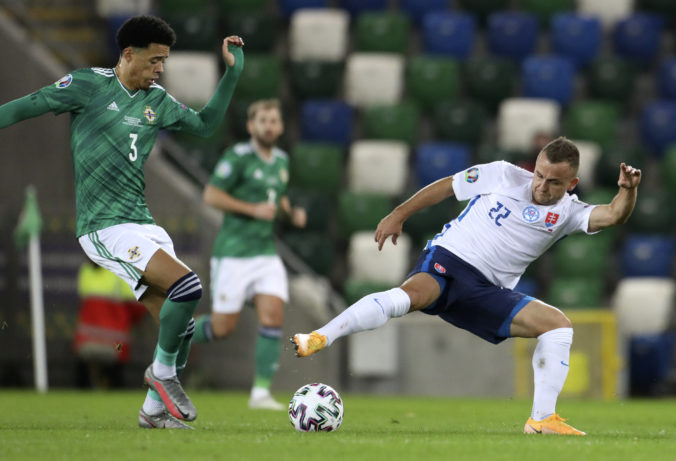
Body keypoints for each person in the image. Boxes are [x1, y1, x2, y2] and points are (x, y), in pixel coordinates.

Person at [292, 137, 642, 436]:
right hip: (450, 259)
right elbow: (447, 186)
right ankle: (320, 336)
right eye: (539, 175)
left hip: (487, 291)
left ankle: (541, 420)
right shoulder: (502, 174)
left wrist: (628, 190)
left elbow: (613, 215)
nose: (542, 186)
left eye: (554, 182)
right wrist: (398, 214)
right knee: (410, 296)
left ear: (572, 183)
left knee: (558, 326)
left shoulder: (568, 213)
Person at [0, 15, 244, 429]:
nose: (160, 69)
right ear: (128, 54)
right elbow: (29, 105)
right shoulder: (88, 85)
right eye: (154, 61)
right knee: (188, 287)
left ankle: (152, 411)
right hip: (103, 226)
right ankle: (161, 375)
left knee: (179, 325)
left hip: (143, 224)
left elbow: (205, 125)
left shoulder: (158, 101)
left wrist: (232, 75)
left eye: (164, 61)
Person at [192, 98, 306, 410]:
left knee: (273, 315)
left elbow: (277, 199)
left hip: (265, 254)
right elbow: (211, 195)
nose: (269, 126)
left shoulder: (281, 160)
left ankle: (260, 393)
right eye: (263, 121)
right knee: (221, 328)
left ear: (281, 127)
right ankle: (174, 337)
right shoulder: (238, 157)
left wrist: (290, 214)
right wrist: (250, 209)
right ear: (250, 126)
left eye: (273, 121)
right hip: (233, 253)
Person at [74, 260, 147, 389]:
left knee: (88, 372)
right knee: (114, 373)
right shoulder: (120, 271)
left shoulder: (87, 270)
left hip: (92, 340)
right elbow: (137, 308)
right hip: (114, 342)